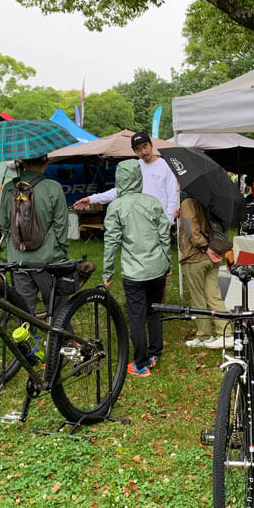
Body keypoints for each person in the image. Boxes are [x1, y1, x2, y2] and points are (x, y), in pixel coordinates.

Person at [101, 159, 172, 377]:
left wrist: (107, 272)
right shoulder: (152, 202)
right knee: (154, 311)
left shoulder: (116, 207)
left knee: (137, 317)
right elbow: (164, 236)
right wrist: (167, 262)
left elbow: (111, 241)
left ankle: (141, 364)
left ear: (119, 180)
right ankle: (154, 353)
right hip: (157, 268)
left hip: (134, 272)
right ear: (139, 178)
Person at [0, 154, 68, 314]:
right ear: (47, 163)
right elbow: (61, 225)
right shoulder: (53, 187)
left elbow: (3, 222)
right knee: (58, 309)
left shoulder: (10, 187)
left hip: (18, 258)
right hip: (49, 259)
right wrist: (62, 250)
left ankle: (27, 337)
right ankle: (59, 338)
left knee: (25, 310)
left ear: (22, 162)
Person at [73, 132, 180, 224]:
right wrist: (91, 199)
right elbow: (119, 191)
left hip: (159, 222)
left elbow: (172, 196)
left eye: (145, 146)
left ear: (151, 145)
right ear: (134, 151)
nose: (143, 152)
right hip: (136, 222)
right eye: (138, 149)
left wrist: (168, 221)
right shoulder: (134, 167)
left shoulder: (166, 167)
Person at [179, 196, 230, 350]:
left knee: (198, 298)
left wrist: (204, 247)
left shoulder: (188, 202)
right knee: (214, 295)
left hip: (196, 257)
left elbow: (190, 228)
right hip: (212, 254)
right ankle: (226, 334)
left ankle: (204, 335)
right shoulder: (209, 199)